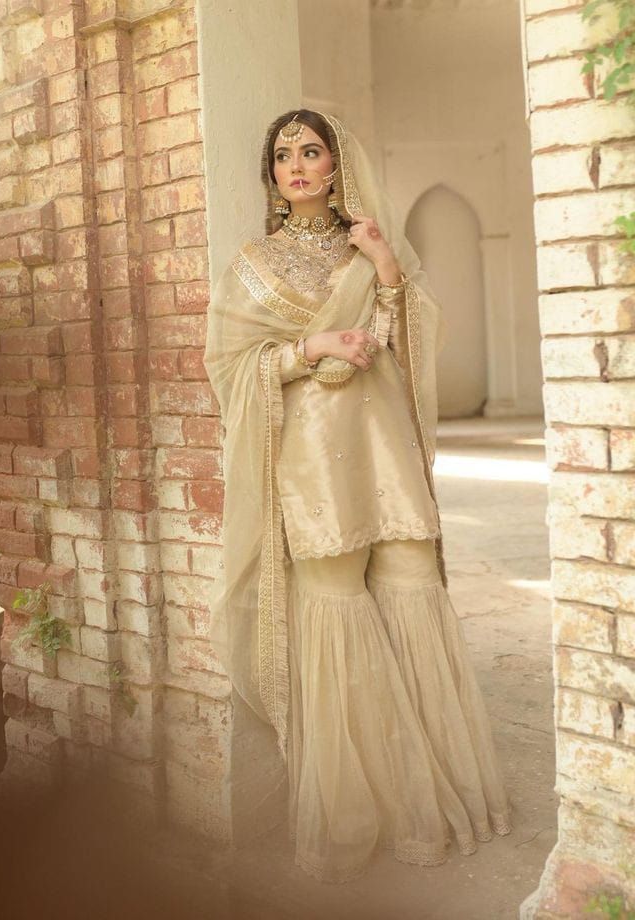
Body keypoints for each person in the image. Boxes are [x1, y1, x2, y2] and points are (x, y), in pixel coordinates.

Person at [203, 109, 512, 884]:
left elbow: (413, 348)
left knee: (412, 593)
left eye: (312, 151)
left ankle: (433, 805)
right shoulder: (251, 266)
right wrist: (311, 346)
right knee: (335, 612)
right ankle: (354, 817)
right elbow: (230, 369)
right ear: (271, 175)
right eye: (283, 155)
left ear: (337, 165)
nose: (298, 165)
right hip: (309, 462)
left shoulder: (370, 244)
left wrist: (385, 269)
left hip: (383, 446)